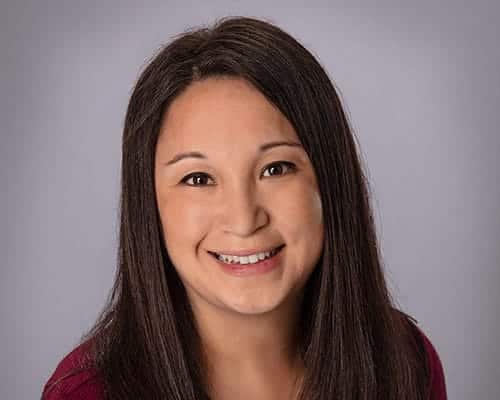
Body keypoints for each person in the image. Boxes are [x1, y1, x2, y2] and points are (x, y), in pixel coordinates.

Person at [42, 16, 447, 400]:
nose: (243, 218)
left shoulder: (403, 363)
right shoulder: (86, 394)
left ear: (330, 181)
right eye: (198, 179)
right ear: (149, 205)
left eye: (275, 168)